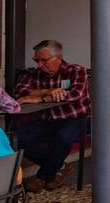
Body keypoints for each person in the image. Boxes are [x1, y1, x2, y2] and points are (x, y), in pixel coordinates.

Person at [12, 40, 91, 192]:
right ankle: (59, 166)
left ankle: (43, 176)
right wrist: (48, 91)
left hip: (73, 118)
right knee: (16, 138)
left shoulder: (76, 70)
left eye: (44, 60)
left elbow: (76, 94)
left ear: (59, 58)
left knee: (64, 137)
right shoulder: (35, 74)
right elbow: (19, 93)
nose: (40, 65)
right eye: (37, 61)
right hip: (46, 120)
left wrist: (40, 97)